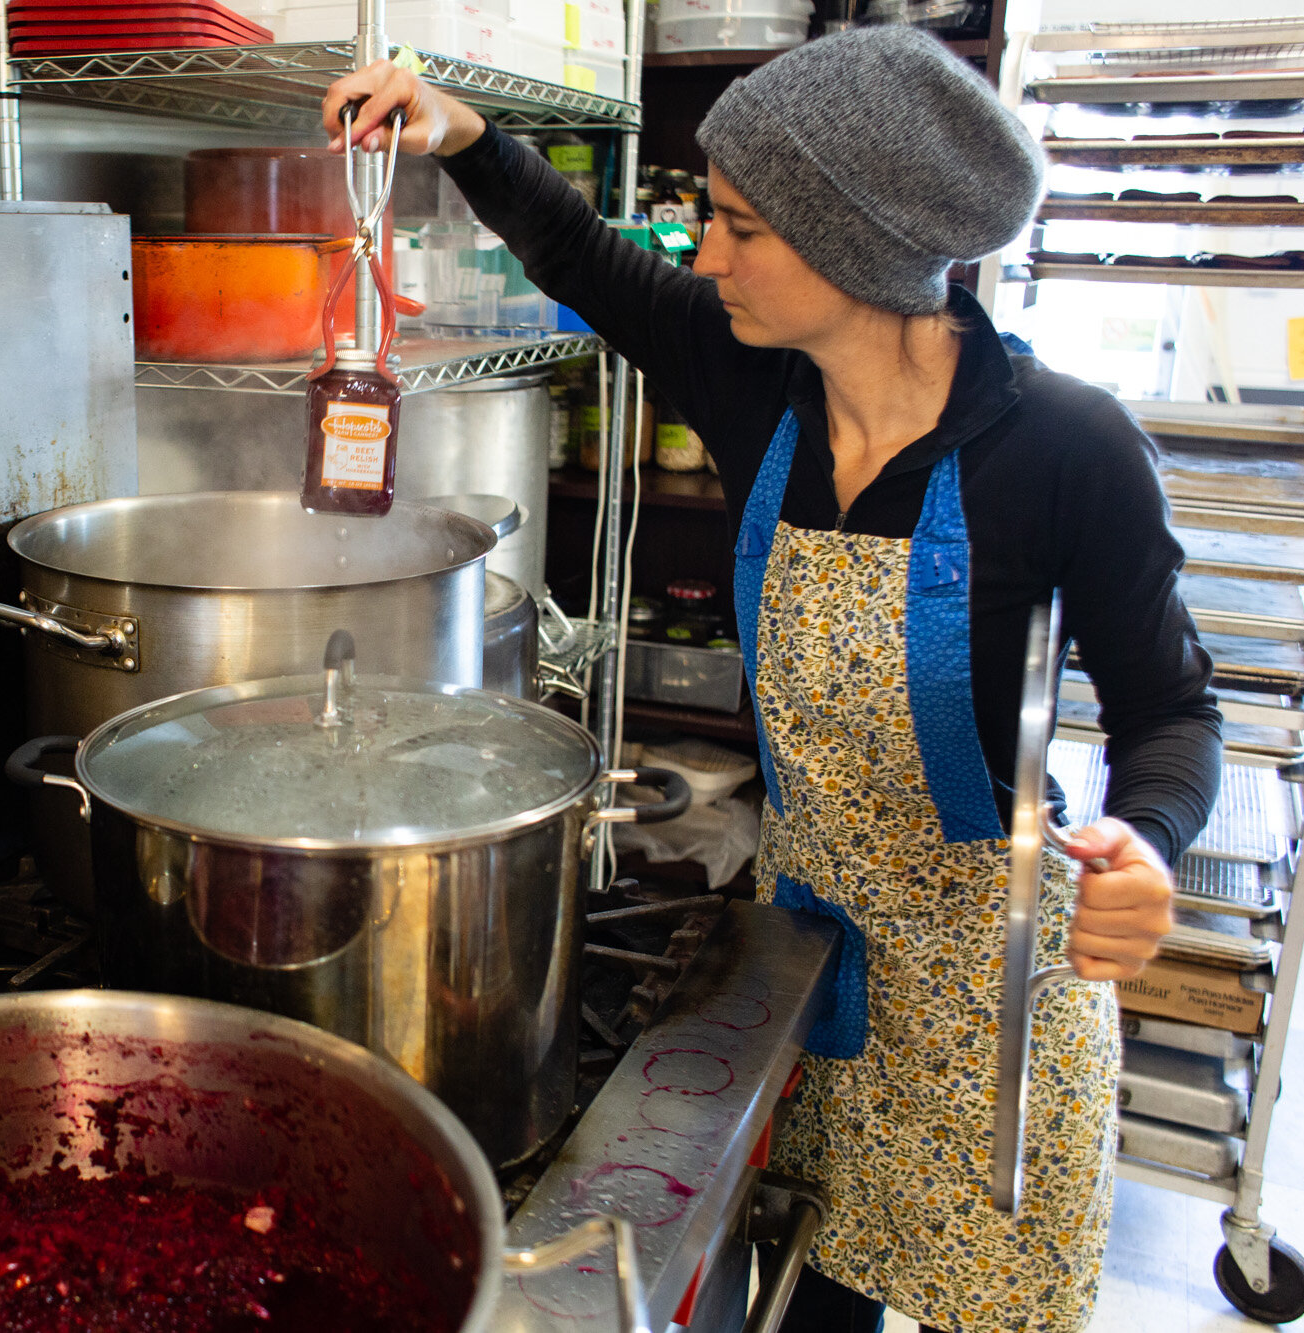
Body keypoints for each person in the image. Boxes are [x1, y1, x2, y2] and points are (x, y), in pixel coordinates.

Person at [323, 26, 1220, 1333]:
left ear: (854, 245)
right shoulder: (750, 382)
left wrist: (1145, 840)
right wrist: (458, 131)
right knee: (804, 1299)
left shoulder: (1070, 451)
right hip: (802, 972)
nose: (705, 254)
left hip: (995, 1016)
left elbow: (1171, 712)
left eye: (739, 226)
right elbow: (582, 252)